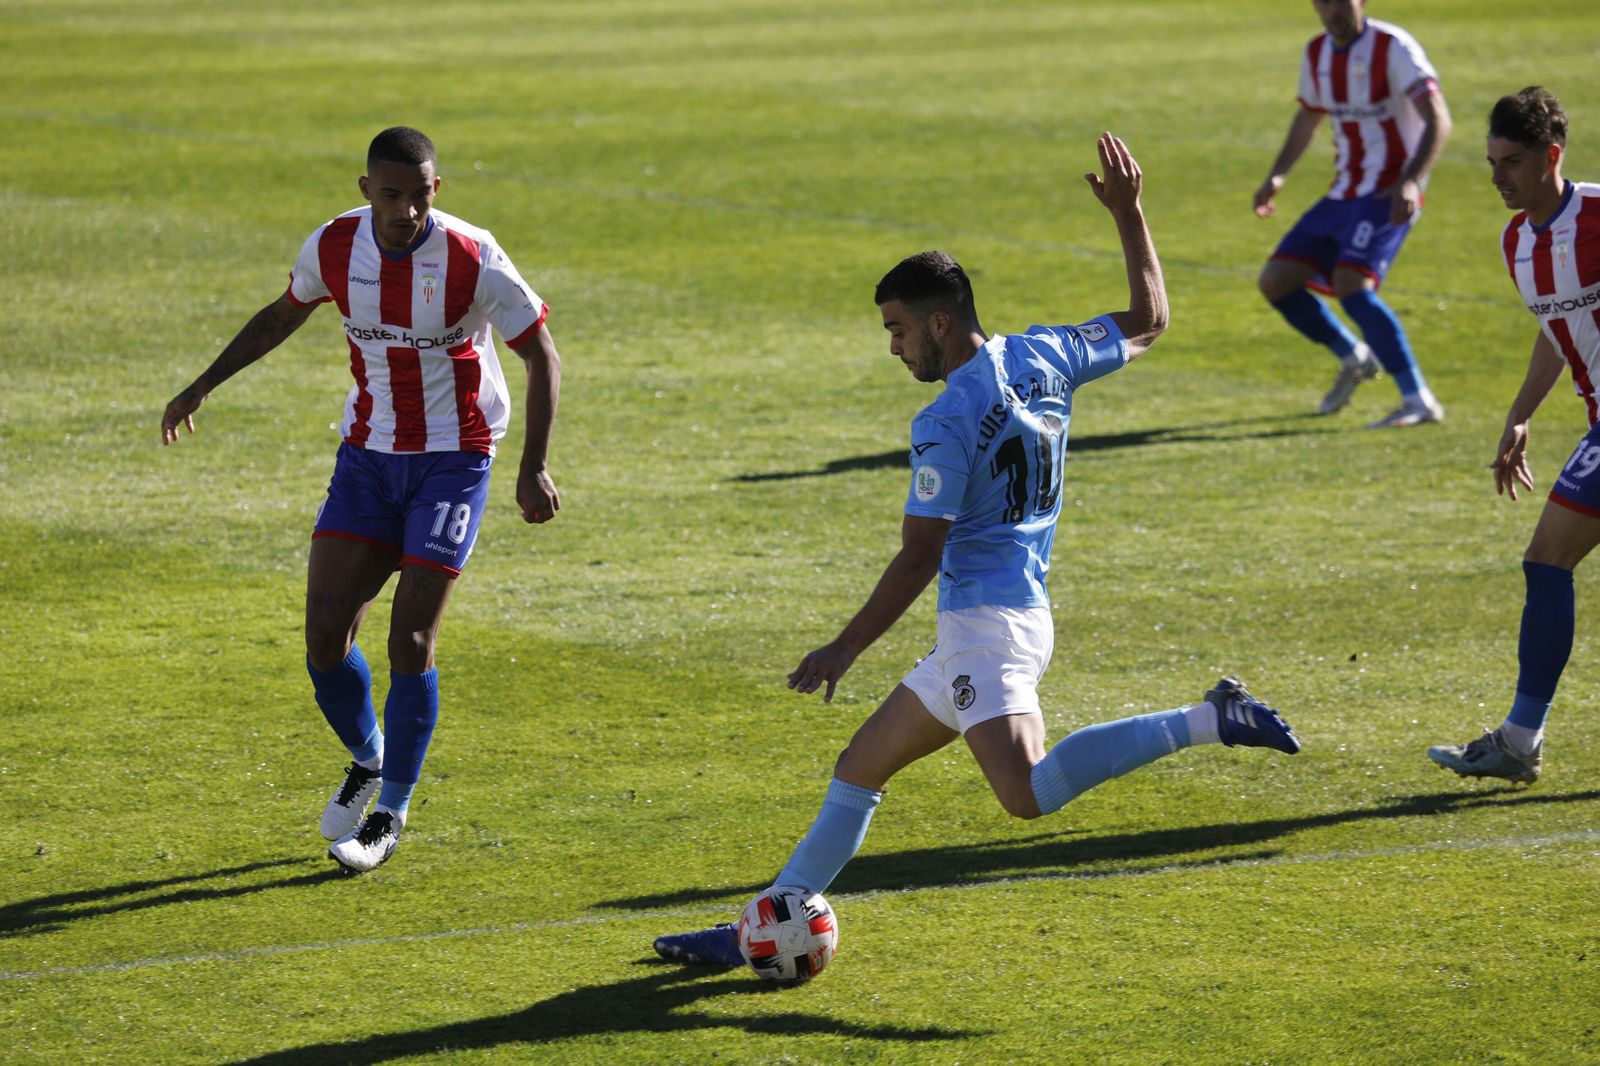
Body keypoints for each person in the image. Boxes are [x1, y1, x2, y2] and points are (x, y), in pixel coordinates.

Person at [653, 135, 1301, 967]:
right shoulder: (1043, 354)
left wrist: (843, 647)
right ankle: (753, 927)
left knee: (1026, 792)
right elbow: (1150, 320)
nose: (892, 348)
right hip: (1008, 613)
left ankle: (1210, 717)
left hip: (985, 626)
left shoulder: (946, 420)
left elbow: (919, 555)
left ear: (938, 321)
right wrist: (1131, 216)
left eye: (896, 330)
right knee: (860, 767)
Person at [160, 127, 562, 871]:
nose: (406, 210)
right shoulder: (335, 247)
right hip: (370, 456)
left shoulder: (474, 256)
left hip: (455, 458)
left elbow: (542, 354)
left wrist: (531, 467)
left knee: (410, 638)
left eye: (420, 195)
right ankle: (368, 757)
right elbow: (283, 315)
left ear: (435, 190)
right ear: (365, 190)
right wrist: (202, 384)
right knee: (323, 632)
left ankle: (390, 812)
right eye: (391, 194)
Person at [1428, 87, 1595, 785]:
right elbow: (1557, 334)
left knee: (1547, 559)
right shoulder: (1516, 242)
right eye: (1491, 162)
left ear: (1552, 156)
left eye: (1513, 162)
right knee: (1546, 561)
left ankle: (1521, 740)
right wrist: (1520, 414)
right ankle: (1519, 741)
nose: (1498, 177)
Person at [1253, 0, 1452, 427]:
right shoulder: (1317, 53)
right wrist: (1278, 175)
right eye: (1322, 2)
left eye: (1340, 0)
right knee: (1276, 281)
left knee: (1353, 286)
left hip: (1388, 192)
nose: (1332, 10)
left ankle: (1419, 399)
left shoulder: (1392, 47)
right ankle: (1354, 355)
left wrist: (1412, 180)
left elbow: (1438, 119)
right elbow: (1308, 116)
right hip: (1343, 192)